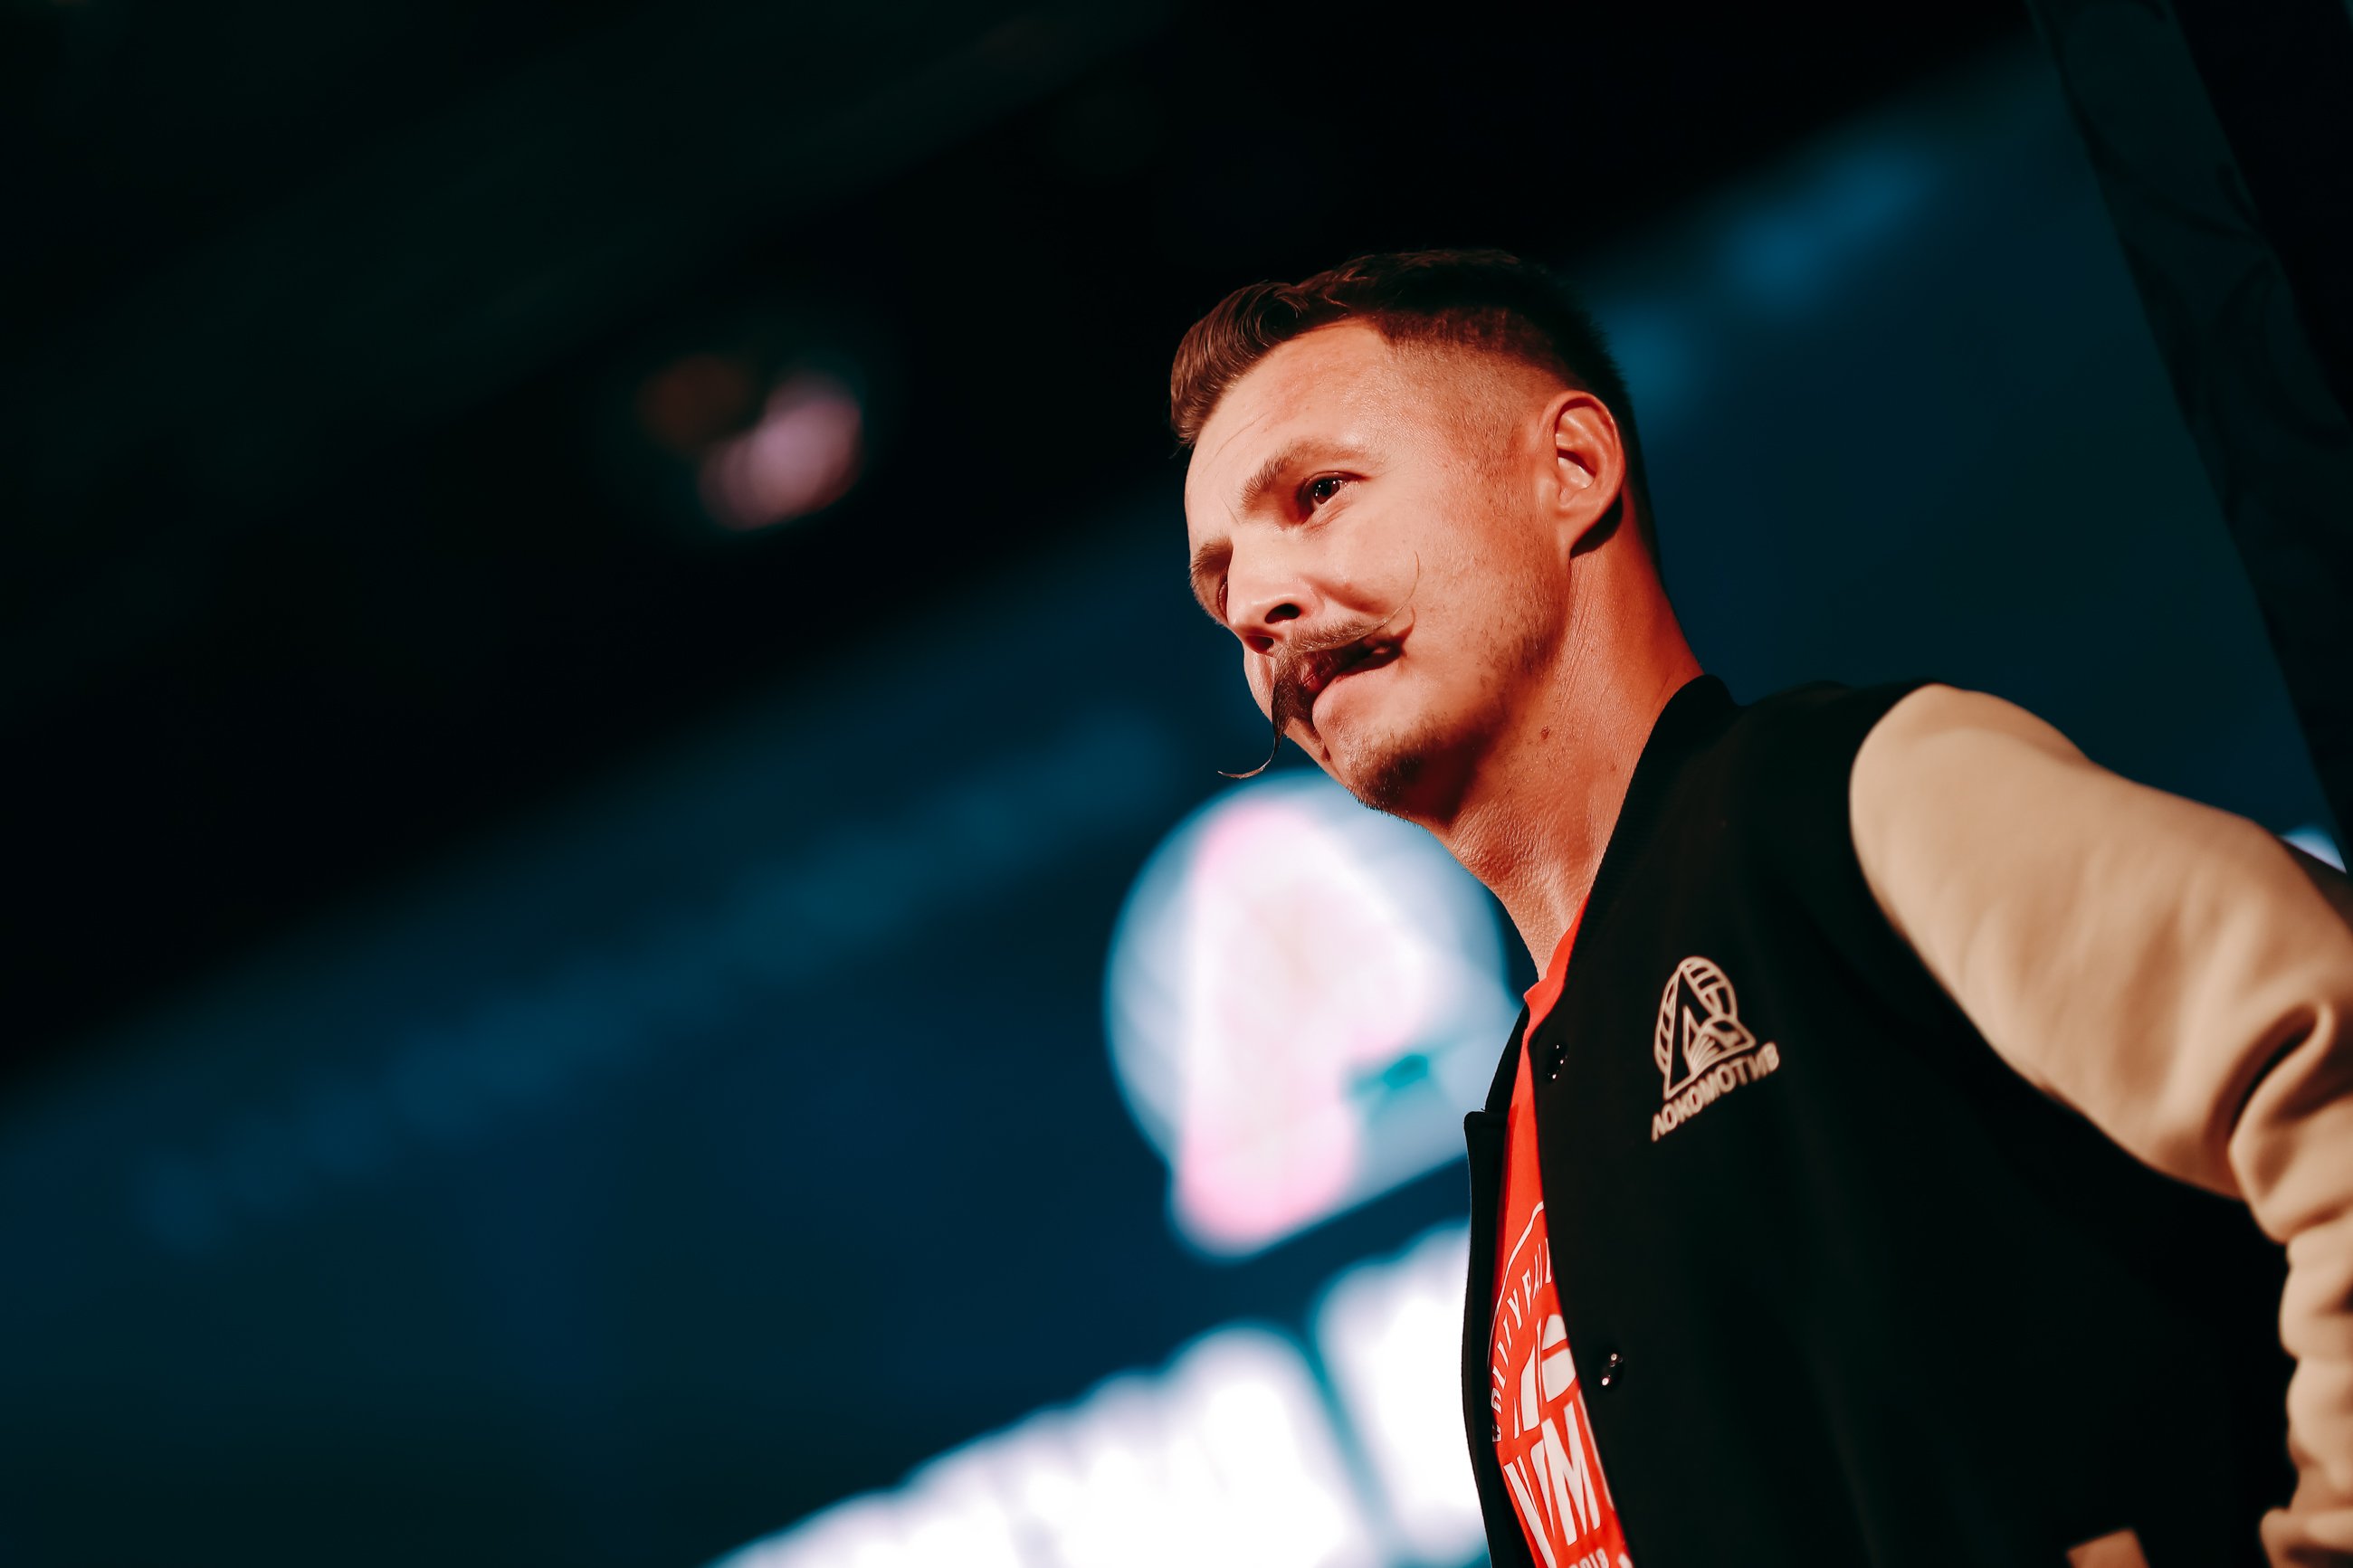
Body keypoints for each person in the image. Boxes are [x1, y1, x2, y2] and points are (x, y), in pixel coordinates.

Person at [1168, 249, 2353, 1568]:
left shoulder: (1864, 800)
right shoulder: (1526, 1124)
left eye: (1318, 495)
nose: (1258, 608)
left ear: (1571, 468)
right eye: (1222, 585)